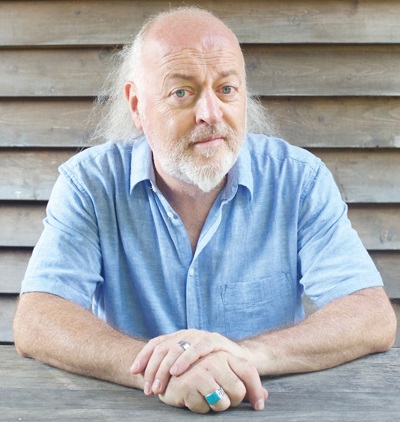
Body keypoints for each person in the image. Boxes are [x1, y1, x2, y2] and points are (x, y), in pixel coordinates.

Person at [13, 6, 396, 414]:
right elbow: (38, 319)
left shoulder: (299, 180)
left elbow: (371, 315)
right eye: (182, 92)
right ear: (137, 105)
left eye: (227, 89)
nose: (210, 114)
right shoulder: (89, 183)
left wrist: (241, 356)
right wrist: (159, 372)